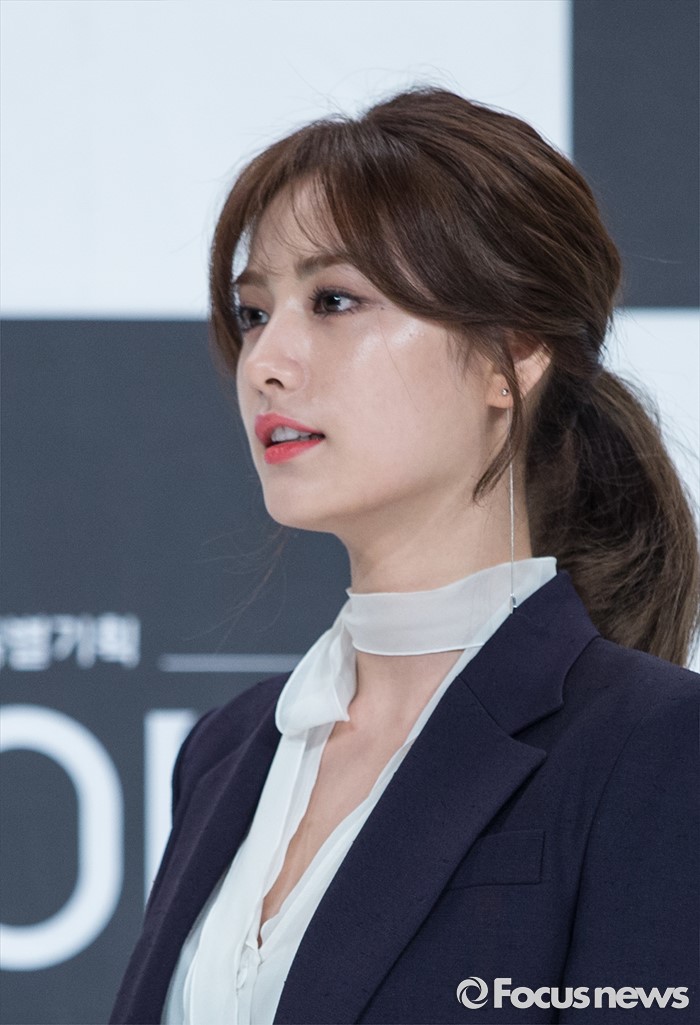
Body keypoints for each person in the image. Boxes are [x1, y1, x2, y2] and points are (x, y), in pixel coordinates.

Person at [111, 88, 699, 1025]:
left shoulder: (657, 744)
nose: (265, 362)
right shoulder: (224, 752)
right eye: (254, 312)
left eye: (335, 301)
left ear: (514, 350)